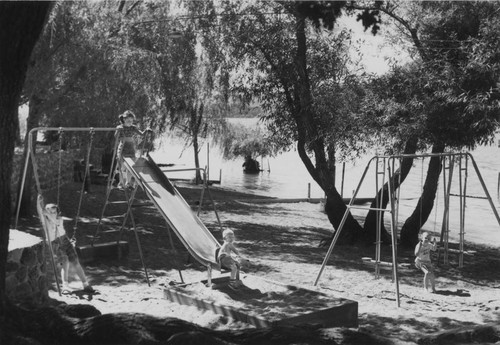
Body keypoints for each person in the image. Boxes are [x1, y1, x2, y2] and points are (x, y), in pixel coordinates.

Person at [43, 203, 94, 294]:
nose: (53, 214)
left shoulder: (59, 219)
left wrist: (48, 214)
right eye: (50, 212)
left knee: (75, 261)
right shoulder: (45, 221)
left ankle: (85, 284)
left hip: (65, 239)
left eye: (54, 212)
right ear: (46, 213)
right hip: (54, 242)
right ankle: (65, 286)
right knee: (65, 261)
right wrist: (41, 207)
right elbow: (41, 212)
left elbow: (56, 222)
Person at [116, 110, 152, 189]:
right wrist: (118, 131)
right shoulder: (120, 127)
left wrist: (146, 130)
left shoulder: (133, 127)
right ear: (124, 119)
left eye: (131, 121)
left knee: (131, 167)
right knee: (122, 167)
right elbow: (116, 136)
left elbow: (141, 134)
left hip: (131, 148)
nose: (130, 122)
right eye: (128, 120)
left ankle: (128, 183)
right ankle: (121, 183)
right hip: (123, 148)